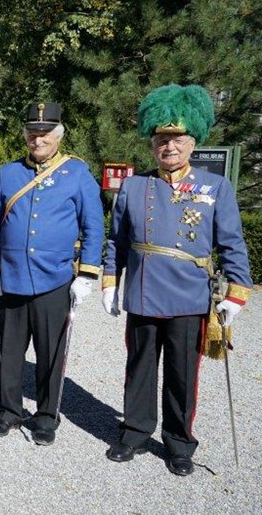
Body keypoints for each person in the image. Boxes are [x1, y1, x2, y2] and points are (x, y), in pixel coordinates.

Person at [102, 84, 252, 476]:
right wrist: (108, 281)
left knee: (183, 374)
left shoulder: (214, 187)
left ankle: (179, 442)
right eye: (162, 139)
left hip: (189, 295)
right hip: (143, 292)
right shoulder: (134, 186)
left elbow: (232, 242)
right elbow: (116, 240)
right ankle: (134, 432)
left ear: (192, 143)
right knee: (139, 367)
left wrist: (236, 293)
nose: (169, 147)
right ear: (152, 144)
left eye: (177, 139)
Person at [0, 101, 103, 446]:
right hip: (14, 276)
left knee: (51, 352)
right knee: (11, 350)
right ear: (26, 136)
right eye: (33, 133)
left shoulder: (77, 172)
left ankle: (47, 416)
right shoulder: (9, 173)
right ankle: (8, 410)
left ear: (58, 136)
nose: (39, 140)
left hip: (55, 278)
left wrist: (87, 274)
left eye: (45, 133)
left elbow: (93, 226)